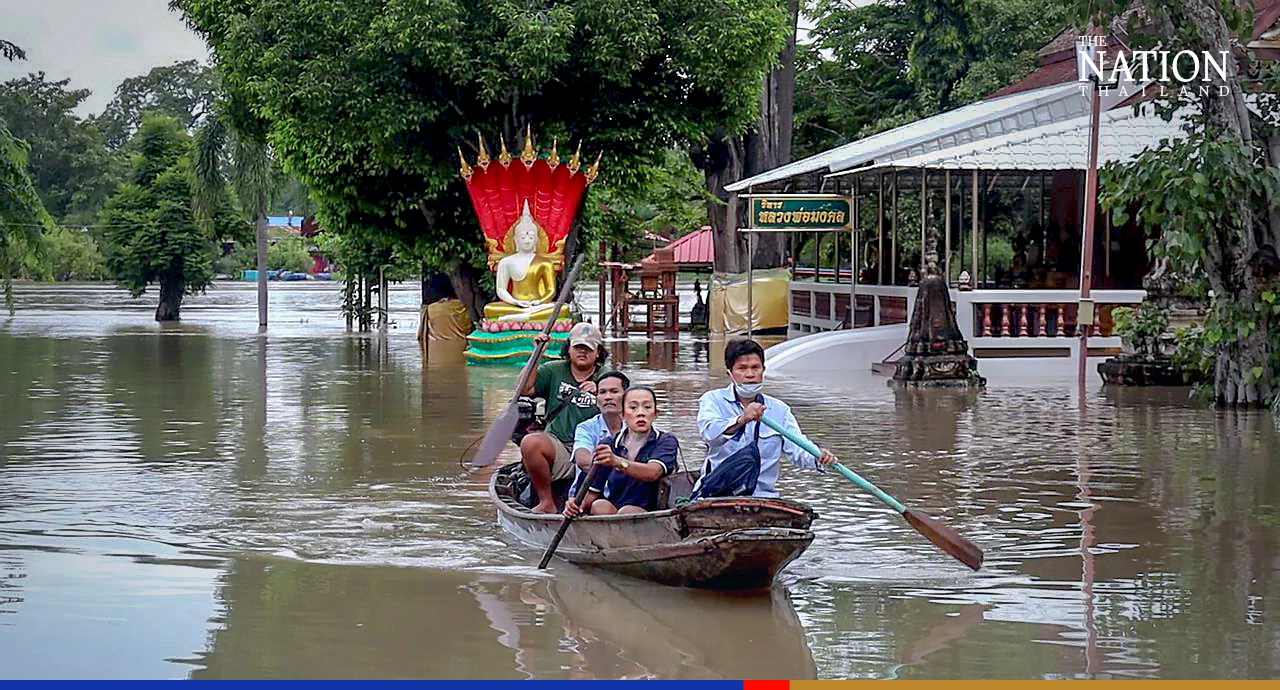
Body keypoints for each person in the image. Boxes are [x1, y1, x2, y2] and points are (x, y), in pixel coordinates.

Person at [695, 339, 837, 498]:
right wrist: (742, 419)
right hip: (717, 495)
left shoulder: (779, 410)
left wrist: (819, 457)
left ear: (763, 370)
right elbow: (709, 434)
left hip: (764, 497)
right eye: (742, 368)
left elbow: (797, 447)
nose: (750, 374)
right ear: (730, 373)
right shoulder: (712, 400)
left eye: (755, 368)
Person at [522, 321, 608, 513]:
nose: (582, 352)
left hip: (592, 448)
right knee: (531, 443)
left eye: (588, 349)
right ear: (568, 349)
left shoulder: (607, 377)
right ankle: (547, 502)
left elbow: (623, 410)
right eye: (578, 347)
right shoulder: (554, 370)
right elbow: (525, 390)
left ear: (598, 353)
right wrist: (536, 355)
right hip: (558, 444)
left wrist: (601, 392)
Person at [564, 386, 679, 516]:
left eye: (647, 407)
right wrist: (575, 505)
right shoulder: (609, 444)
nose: (641, 413)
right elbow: (594, 491)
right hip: (613, 509)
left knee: (628, 511)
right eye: (633, 408)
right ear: (623, 415)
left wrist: (617, 462)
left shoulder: (665, 441)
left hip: (651, 513)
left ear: (655, 414)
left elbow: (653, 472)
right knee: (599, 506)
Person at [567, 370, 630, 496]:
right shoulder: (585, 427)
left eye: (614, 391)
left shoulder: (636, 426)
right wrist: (620, 465)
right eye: (602, 392)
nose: (608, 397)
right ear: (597, 400)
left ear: (627, 397)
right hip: (586, 495)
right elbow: (582, 460)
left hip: (625, 494)